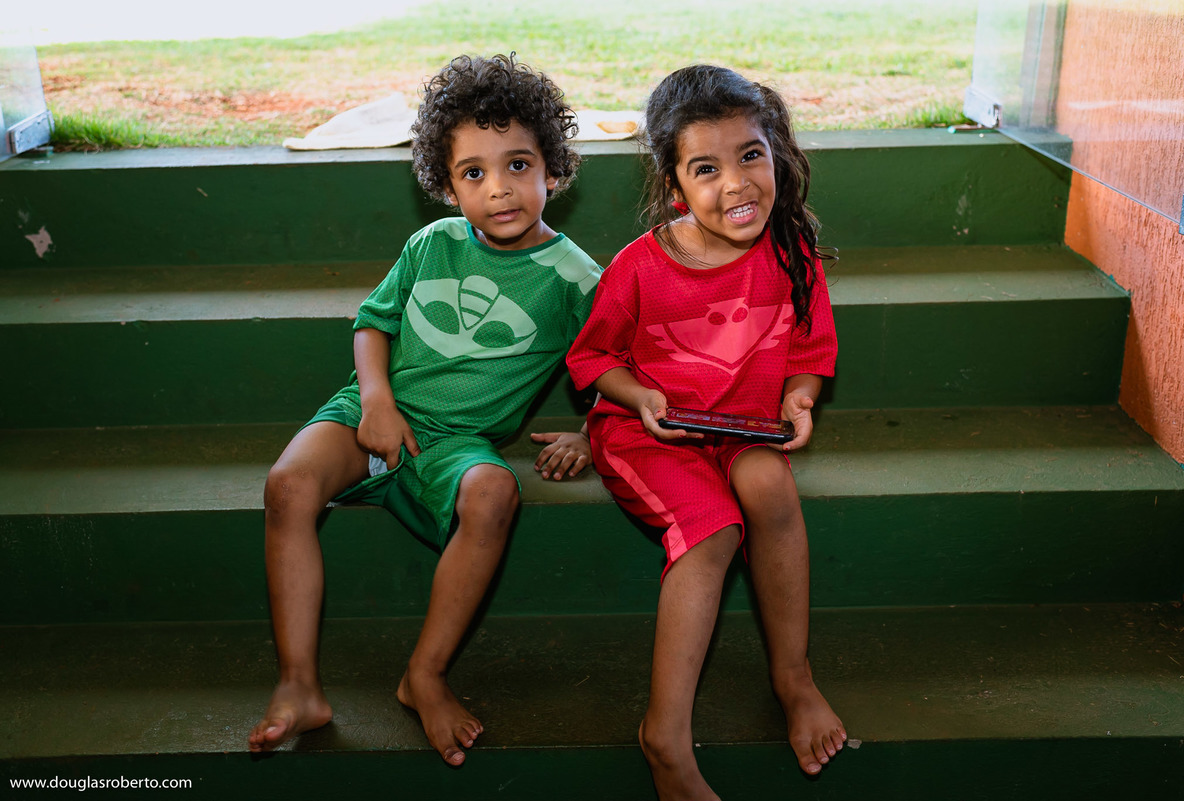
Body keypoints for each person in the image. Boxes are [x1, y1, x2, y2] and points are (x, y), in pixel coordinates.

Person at [248, 53, 601, 766]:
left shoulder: (576, 278)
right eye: (473, 172)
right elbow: (373, 324)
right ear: (446, 186)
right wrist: (374, 400)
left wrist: (594, 432)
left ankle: (424, 674)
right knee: (287, 484)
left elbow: (613, 364)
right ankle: (298, 684)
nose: (498, 189)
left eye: (518, 165)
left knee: (496, 489)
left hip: (456, 442)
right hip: (372, 410)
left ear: (553, 170)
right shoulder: (430, 243)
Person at [566, 64, 847, 800]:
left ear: (776, 153)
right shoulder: (640, 268)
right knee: (714, 525)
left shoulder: (793, 250)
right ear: (673, 184)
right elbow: (592, 357)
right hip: (647, 432)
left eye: (750, 155)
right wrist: (640, 394)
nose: (737, 183)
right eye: (706, 168)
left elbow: (812, 351)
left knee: (768, 489)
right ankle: (665, 736)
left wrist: (800, 400)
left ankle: (794, 677)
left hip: (745, 426)